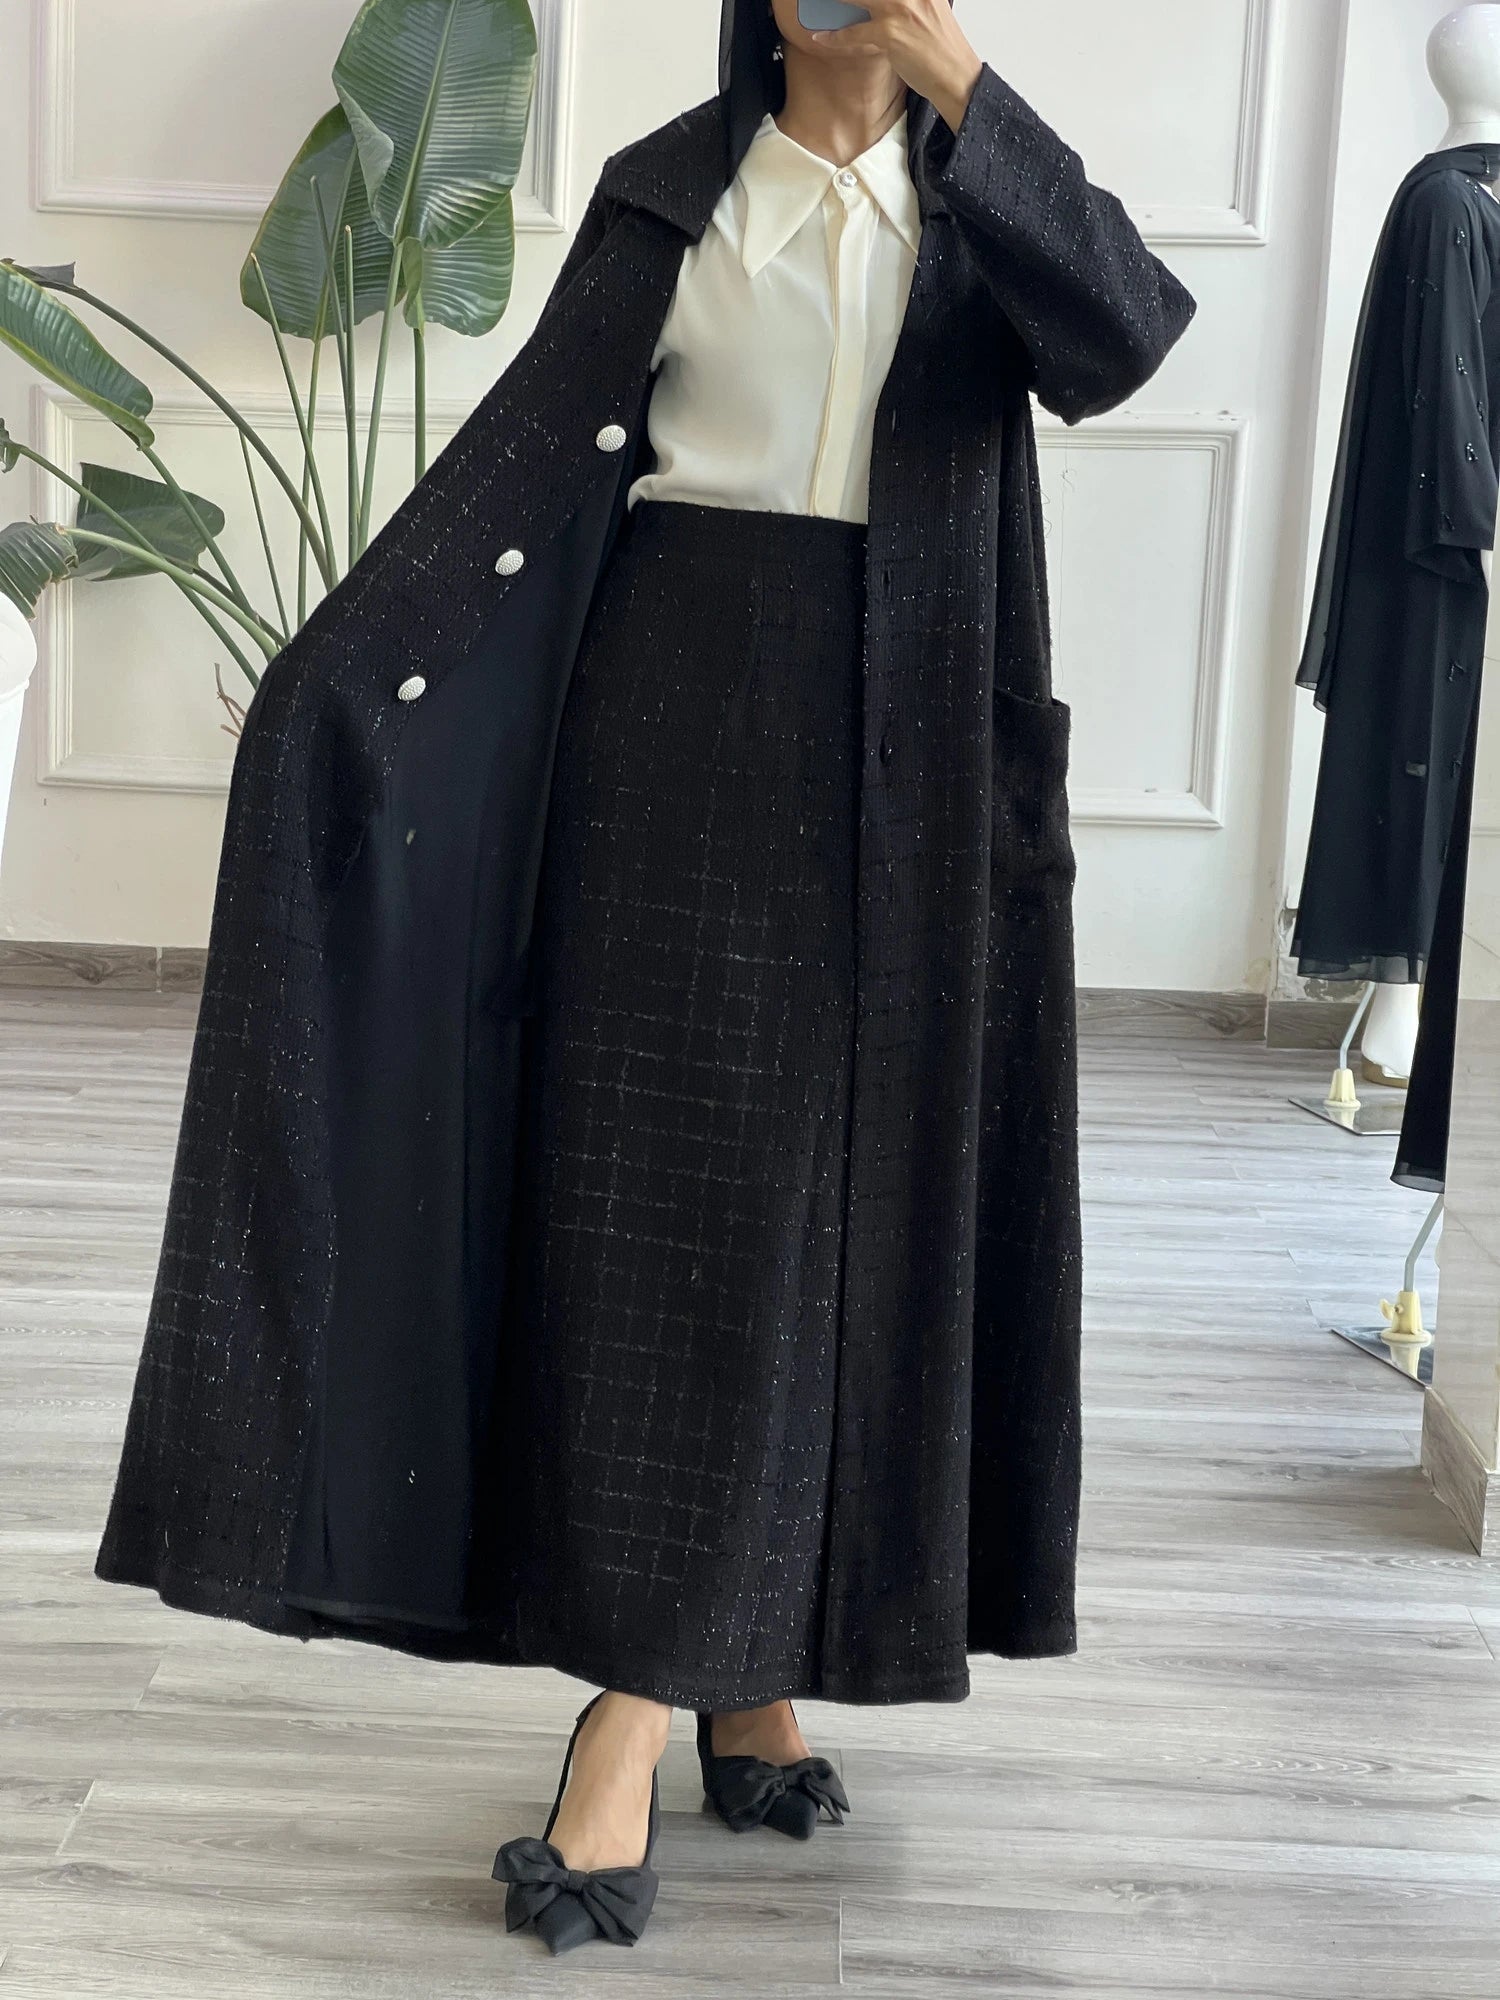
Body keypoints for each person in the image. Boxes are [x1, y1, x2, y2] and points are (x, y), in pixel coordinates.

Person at [93, 0, 1195, 1959]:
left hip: (917, 776)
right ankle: (634, 1701)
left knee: (835, 1230)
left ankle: (748, 1673)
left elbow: (1129, 335)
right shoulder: (674, 192)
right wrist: (336, 691)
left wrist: (963, 89)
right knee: (687, 1230)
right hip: (673, 750)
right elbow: (514, 470)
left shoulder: (991, 208)